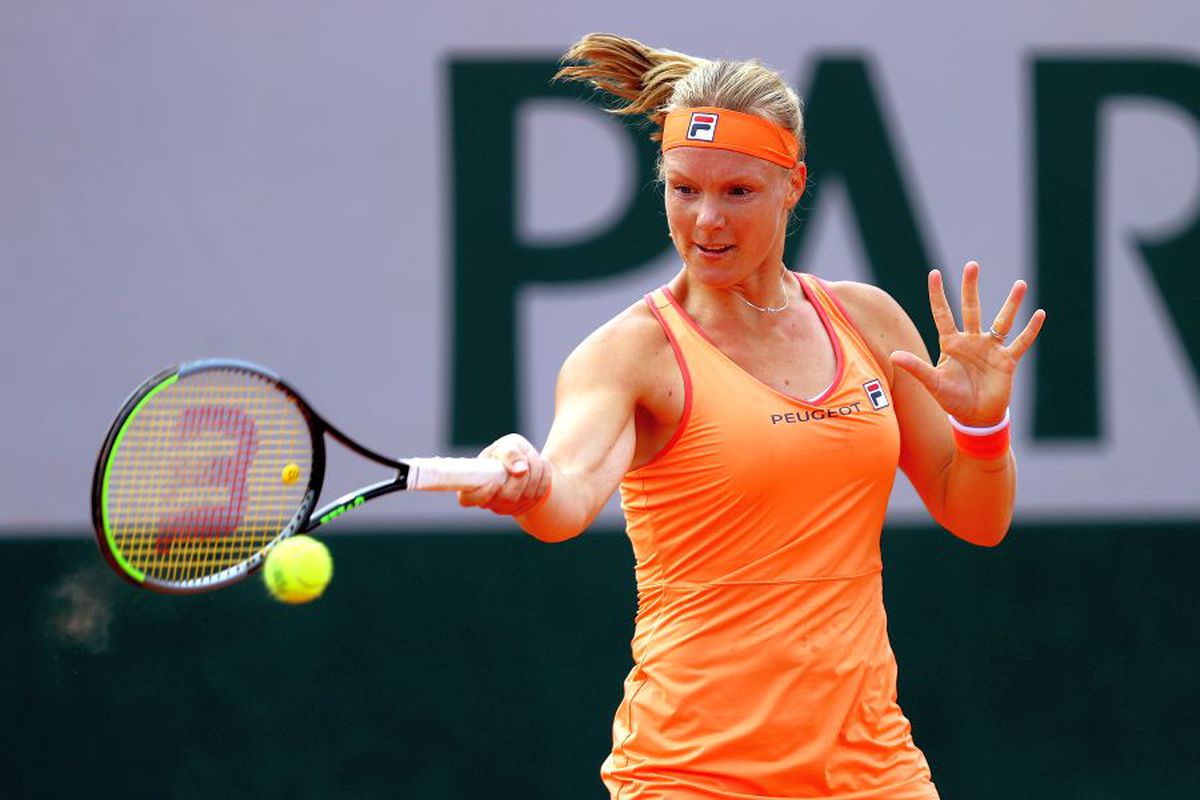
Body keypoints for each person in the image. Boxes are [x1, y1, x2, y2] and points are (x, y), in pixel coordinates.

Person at [458, 33, 1046, 800]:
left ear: (793, 184)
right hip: (692, 775)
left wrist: (983, 428)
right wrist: (530, 481)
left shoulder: (866, 320)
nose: (706, 220)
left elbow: (979, 517)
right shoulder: (631, 355)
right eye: (683, 189)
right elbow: (566, 498)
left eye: (738, 191)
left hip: (871, 771)